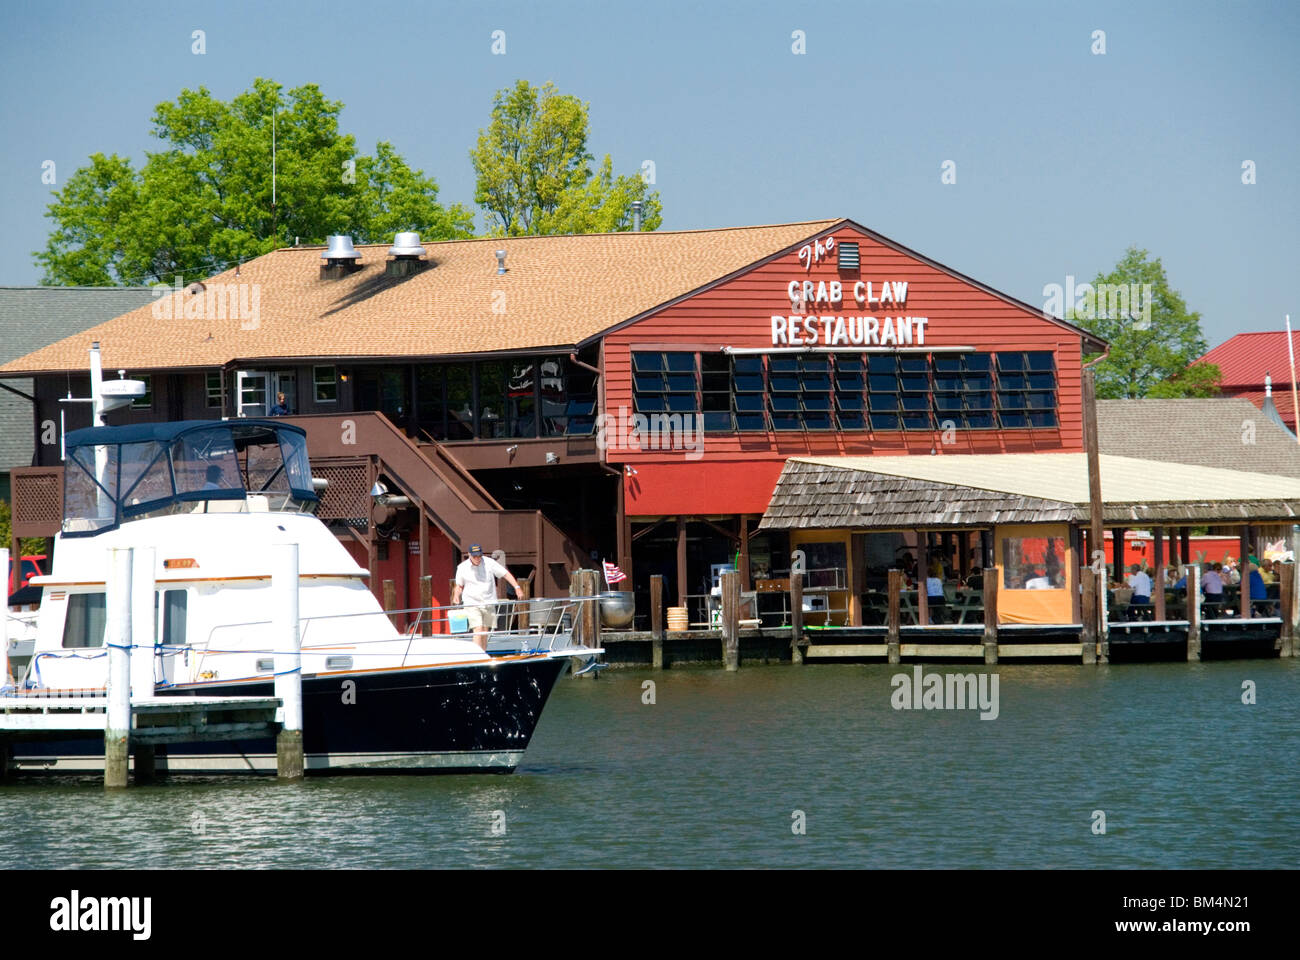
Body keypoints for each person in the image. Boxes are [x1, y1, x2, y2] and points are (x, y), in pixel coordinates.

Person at [451, 543, 521, 650]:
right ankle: (477, 656)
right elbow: (459, 585)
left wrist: (517, 587)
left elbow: (505, 573)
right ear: (469, 555)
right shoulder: (462, 567)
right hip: (472, 602)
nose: (477, 558)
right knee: (478, 629)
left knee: (484, 631)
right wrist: (456, 595)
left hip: (488, 601)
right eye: (475, 556)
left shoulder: (489, 563)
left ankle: (483, 654)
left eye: (479, 555)